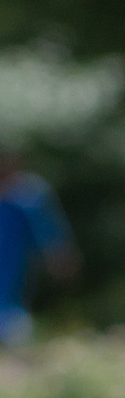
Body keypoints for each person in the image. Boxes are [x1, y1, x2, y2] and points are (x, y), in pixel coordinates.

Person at [0, 148, 77, 347]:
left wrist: (60, 258)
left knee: (12, 328)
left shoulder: (28, 193)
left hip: (13, 278)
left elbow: (49, 232)